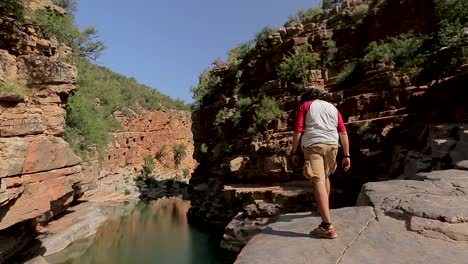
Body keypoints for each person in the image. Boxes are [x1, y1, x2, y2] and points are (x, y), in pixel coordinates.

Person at [291, 88, 350, 239]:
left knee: (317, 180)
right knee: (326, 177)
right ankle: (325, 210)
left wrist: (294, 151)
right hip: (332, 145)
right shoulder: (332, 108)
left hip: (313, 144)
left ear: (306, 99)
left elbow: (298, 130)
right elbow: (343, 132)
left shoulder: (305, 106)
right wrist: (346, 155)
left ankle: (326, 226)